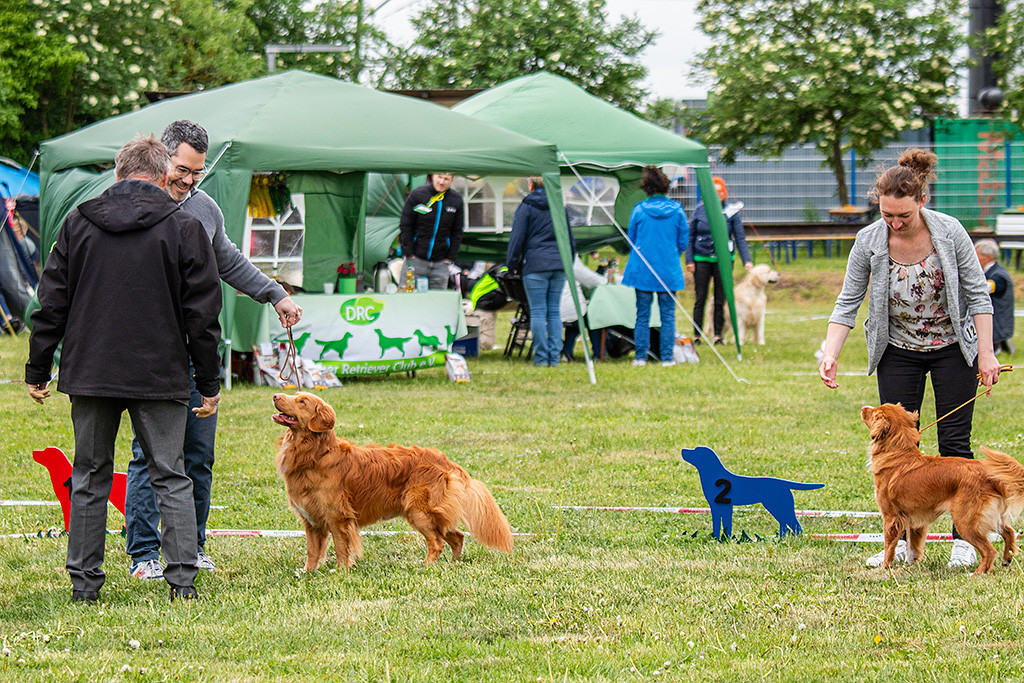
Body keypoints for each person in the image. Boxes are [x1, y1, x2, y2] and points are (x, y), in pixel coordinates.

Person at [25, 135, 222, 603]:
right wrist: (209, 381)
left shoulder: (77, 222)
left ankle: (85, 586)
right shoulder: (184, 226)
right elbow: (203, 315)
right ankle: (182, 582)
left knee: (90, 474)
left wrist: (37, 367)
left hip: (91, 371)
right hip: (162, 374)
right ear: (161, 175)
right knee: (170, 474)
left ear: (117, 174)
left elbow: (50, 301)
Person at [124, 120, 303, 581]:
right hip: (148, 354)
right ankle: (143, 553)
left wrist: (275, 293)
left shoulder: (204, 209)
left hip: (196, 353)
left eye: (197, 173)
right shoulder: (132, 205)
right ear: (162, 159)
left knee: (198, 456)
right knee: (149, 455)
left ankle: (194, 544)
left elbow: (229, 260)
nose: (187, 181)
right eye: (182, 170)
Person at [818, 148, 1000, 569]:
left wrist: (986, 354)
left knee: (955, 442)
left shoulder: (950, 232)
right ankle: (900, 543)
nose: (895, 223)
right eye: (887, 215)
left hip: (954, 348)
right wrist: (831, 353)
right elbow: (848, 301)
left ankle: (962, 538)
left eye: (903, 215)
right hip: (897, 350)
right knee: (900, 450)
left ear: (921, 201)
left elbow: (978, 296)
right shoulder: (869, 240)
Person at [621, 165, 689, 366]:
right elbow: (683, 240)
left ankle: (640, 357)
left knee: (642, 314)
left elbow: (631, 239)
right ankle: (667, 358)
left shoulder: (639, 210)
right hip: (668, 269)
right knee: (668, 315)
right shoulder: (677, 211)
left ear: (646, 188)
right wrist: (671, 254)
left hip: (643, 270)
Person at [506, 176, 574, 367]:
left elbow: (517, 237)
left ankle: (541, 358)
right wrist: (569, 262)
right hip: (559, 264)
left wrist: (511, 264)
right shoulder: (560, 206)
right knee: (554, 312)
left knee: (537, 312)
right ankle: (554, 357)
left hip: (535, 264)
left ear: (530, 185)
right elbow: (569, 237)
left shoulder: (527, 206)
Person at [686, 176, 752, 344]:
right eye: (714, 192)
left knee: (720, 298)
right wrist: (689, 260)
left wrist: (747, 260)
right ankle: (697, 334)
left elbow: (740, 237)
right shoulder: (699, 211)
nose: (718, 195)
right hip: (701, 258)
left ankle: (718, 334)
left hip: (723, 259)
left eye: (721, 192)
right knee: (700, 297)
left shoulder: (731, 212)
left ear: (725, 194)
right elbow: (690, 236)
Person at [399, 172, 464, 289]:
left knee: (437, 301)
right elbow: (406, 224)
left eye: (446, 179)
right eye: (439, 177)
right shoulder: (417, 195)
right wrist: (408, 251)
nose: (442, 182)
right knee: (407, 297)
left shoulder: (456, 200)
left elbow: (457, 231)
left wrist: (450, 257)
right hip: (415, 260)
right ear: (433, 176)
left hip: (441, 264)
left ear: (452, 180)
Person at [560, 255, 606, 361]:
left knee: (576, 319)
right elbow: (586, 276)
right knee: (592, 318)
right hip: (565, 305)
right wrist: (605, 281)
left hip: (547, 309)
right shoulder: (567, 251)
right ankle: (598, 354)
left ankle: (567, 352)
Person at [975, 238, 1015, 355]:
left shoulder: (999, 276)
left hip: (998, 328)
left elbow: (987, 288)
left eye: (976, 255)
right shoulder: (993, 272)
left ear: (987, 257)